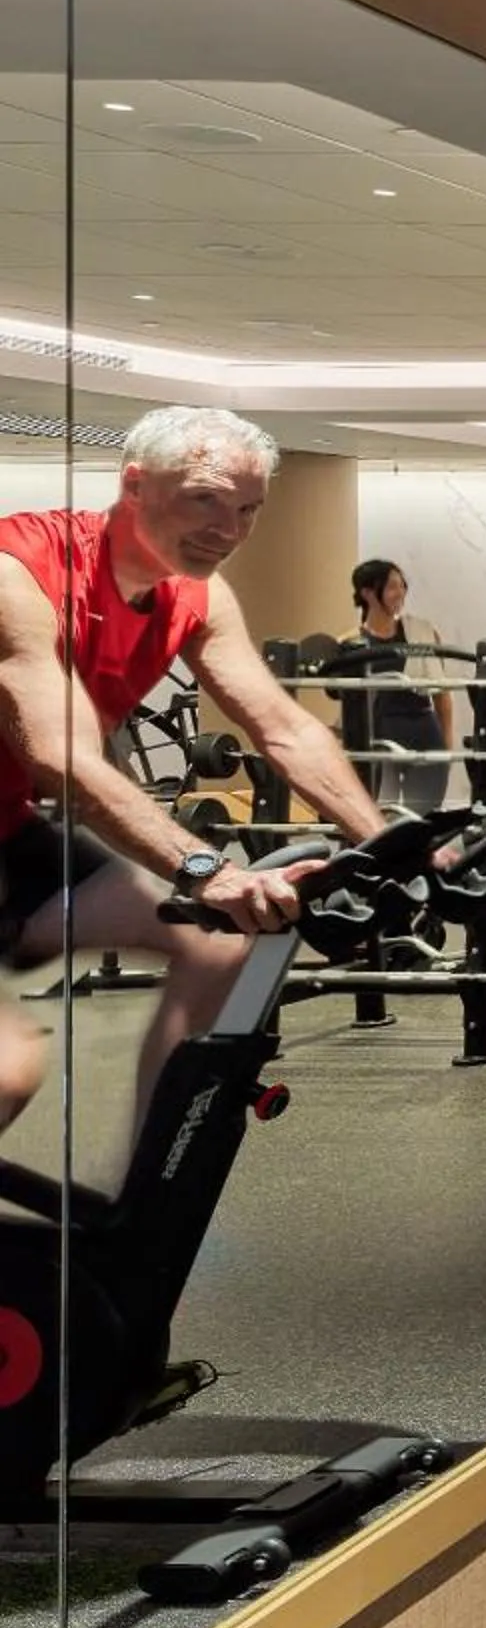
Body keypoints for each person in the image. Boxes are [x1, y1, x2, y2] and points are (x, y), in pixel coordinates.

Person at [0, 406, 389, 1147]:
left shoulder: (195, 594)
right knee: (8, 1073)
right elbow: (63, 758)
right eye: (205, 497)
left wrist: (389, 843)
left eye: (247, 509)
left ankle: (147, 1192)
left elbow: (284, 727)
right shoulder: (19, 572)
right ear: (135, 485)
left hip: (5, 827)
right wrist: (205, 869)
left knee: (213, 948)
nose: (228, 529)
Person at [346, 557, 460, 812]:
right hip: (378, 733)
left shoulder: (421, 631)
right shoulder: (352, 642)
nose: (400, 593)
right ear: (367, 593)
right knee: (380, 815)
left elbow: (442, 693)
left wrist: (447, 744)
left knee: (423, 816)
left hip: (423, 729)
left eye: (402, 586)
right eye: (391, 587)